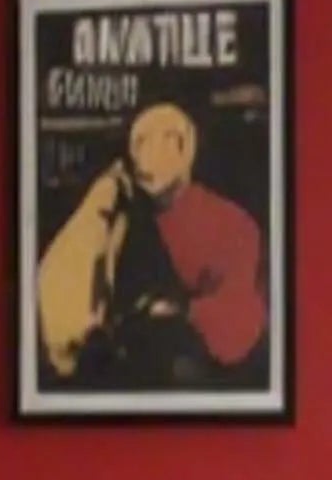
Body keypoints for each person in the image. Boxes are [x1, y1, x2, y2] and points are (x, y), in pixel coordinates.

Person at [35, 100, 267, 387]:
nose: (146, 153)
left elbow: (238, 325)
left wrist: (180, 311)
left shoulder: (232, 226)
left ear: (184, 148)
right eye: (140, 143)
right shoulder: (114, 210)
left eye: (164, 143)